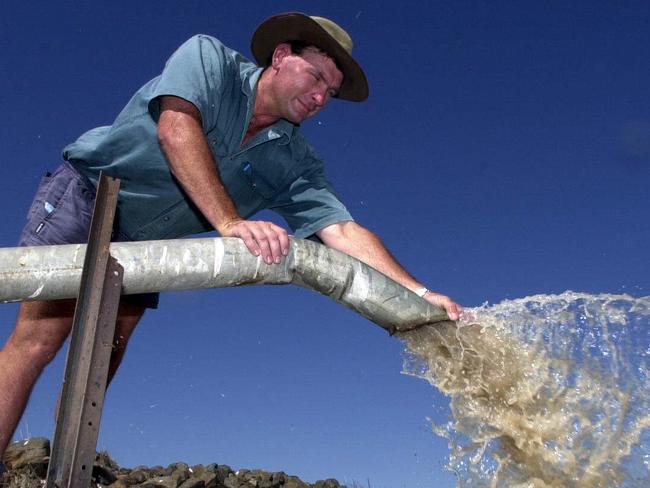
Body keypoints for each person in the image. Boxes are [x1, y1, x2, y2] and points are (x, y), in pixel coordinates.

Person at [0, 12, 461, 461]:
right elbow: (175, 125)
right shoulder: (209, 59)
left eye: (330, 92)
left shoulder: (295, 160)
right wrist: (229, 222)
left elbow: (340, 229)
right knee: (40, 337)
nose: (321, 97)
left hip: (143, 242)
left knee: (102, 360)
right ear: (281, 55)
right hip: (91, 193)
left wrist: (420, 292)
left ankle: (58, 465)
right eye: (316, 76)